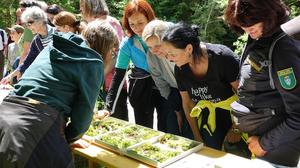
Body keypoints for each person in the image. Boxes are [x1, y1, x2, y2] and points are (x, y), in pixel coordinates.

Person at [0, 20, 118, 168]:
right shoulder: (93, 62)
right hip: (35, 128)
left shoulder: (54, 45)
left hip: (5, 114)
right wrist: (67, 138)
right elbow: (83, 117)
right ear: (106, 47)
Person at [224, 0, 300, 167]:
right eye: (243, 29)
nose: (248, 33)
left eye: (251, 28)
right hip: (263, 137)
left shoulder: (282, 47)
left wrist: (265, 143)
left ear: (268, 16)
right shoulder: (262, 34)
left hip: (278, 146)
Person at [162, 23, 242, 151]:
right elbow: (187, 104)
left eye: (172, 54)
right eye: (166, 54)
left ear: (188, 48)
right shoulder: (180, 68)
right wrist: (197, 137)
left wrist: (237, 128)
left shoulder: (222, 58)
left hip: (235, 116)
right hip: (205, 116)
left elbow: (245, 95)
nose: (169, 59)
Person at [105, 0, 167, 131]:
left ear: (149, 18)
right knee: (143, 129)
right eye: (132, 24)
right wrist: (109, 106)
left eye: (141, 23)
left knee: (167, 127)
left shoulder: (166, 33)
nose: (137, 28)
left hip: (165, 87)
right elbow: (119, 75)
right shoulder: (128, 44)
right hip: (142, 89)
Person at [142, 19, 193, 138]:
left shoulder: (181, 50)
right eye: (149, 47)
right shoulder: (151, 57)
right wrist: (176, 109)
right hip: (174, 94)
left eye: (157, 46)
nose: (154, 51)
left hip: (195, 92)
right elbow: (160, 82)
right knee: (174, 129)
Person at [80, 0, 128, 120]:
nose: (80, 9)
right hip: (95, 82)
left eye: (82, 5)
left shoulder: (110, 23)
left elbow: (116, 55)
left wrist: (100, 76)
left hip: (111, 83)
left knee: (116, 119)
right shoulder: (88, 24)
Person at [1, 6, 55, 84]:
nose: (28, 27)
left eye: (29, 24)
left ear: (39, 21)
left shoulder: (57, 35)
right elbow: (28, 60)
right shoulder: (36, 41)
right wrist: (11, 75)